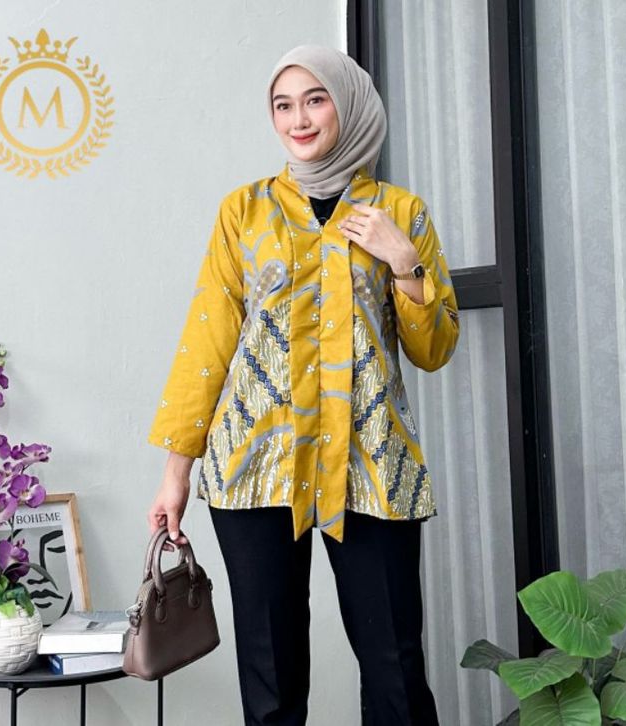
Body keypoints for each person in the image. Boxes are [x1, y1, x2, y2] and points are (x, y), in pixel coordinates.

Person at [146, 44, 459, 726]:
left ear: (348, 105)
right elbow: (208, 342)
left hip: (371, 463)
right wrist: (176, 475)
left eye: (316, 100)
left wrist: (404, 264)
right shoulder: (244, 212)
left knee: (396, 668)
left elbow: (434, 350)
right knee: (271, 679)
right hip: (255, 463)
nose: (299, 119)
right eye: (283, 105)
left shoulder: (400, 212)